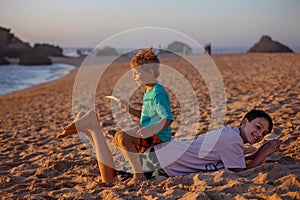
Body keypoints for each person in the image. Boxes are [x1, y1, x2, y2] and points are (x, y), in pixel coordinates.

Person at [58, 109, 282, 184]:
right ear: (244, 122)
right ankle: (92, 128)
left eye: (264, 133)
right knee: (109, 180)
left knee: (113, 167)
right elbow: (240, 170)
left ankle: (89, 129)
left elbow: (237, 160)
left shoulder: (231, 135)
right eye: (258, 126)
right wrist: (263, 153)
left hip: (165, 154)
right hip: (163, 162)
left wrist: (258, 153)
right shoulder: (233, 140)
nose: (259, 134)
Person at [58, 47, 173, 183]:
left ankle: (139, 175)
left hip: (159, 137)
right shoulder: (149, 91)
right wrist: (129, 109)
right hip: (150, 135)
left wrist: (152, 129)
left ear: (150, 72)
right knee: (118, 137)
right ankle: (87, 127)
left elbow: (167, 118)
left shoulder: (158, 92)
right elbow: (146, 116)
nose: (133, 76)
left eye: (136, 73)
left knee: (123, 137)